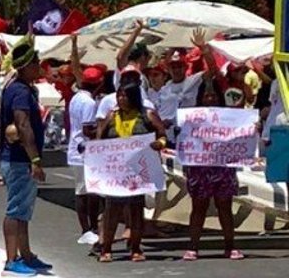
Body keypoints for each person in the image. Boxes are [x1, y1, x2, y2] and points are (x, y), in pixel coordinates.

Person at [95, 80, 168, 262]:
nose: (121, 99)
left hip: (138, 170)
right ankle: (106, 248)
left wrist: (160, 144)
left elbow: (163, 134)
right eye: (119, 95)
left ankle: (135, 247)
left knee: (136, 210)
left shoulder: (147, 115)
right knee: (112, 209)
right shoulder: (112, 116)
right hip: (116, 171)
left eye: (125, 95)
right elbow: (100, 137)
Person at [0, 40, 52, 277]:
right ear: (26, 66)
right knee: (16, 210)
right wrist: (36, 160)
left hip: (20, 159)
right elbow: (22, 124)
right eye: (36, 62)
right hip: (20, 159)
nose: (39, 66)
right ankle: (11, 261)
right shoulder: (19, 91)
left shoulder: (20, 87)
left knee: (23, 210)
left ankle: (26, 255)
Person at [181, 69, 244, 263]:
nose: (209, 98)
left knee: (224, 206)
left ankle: (230, 246)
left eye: (213, 95)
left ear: (219, 97)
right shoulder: (191, 118)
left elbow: (243, 132)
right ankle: (193, 247)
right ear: (201, 97)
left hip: (222, 167)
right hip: (199, 167)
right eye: (206, 95)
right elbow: (184, 140)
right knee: (198, 207)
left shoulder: (230, 116)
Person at [67, 61, 105, 250]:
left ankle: (88, 228)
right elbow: (88, 128)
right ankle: (88, 228)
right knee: (88, 192)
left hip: (76, 149)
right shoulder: (89, 102)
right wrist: (104, 128)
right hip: (84, 151)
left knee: (83, 191)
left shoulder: (76, 98)